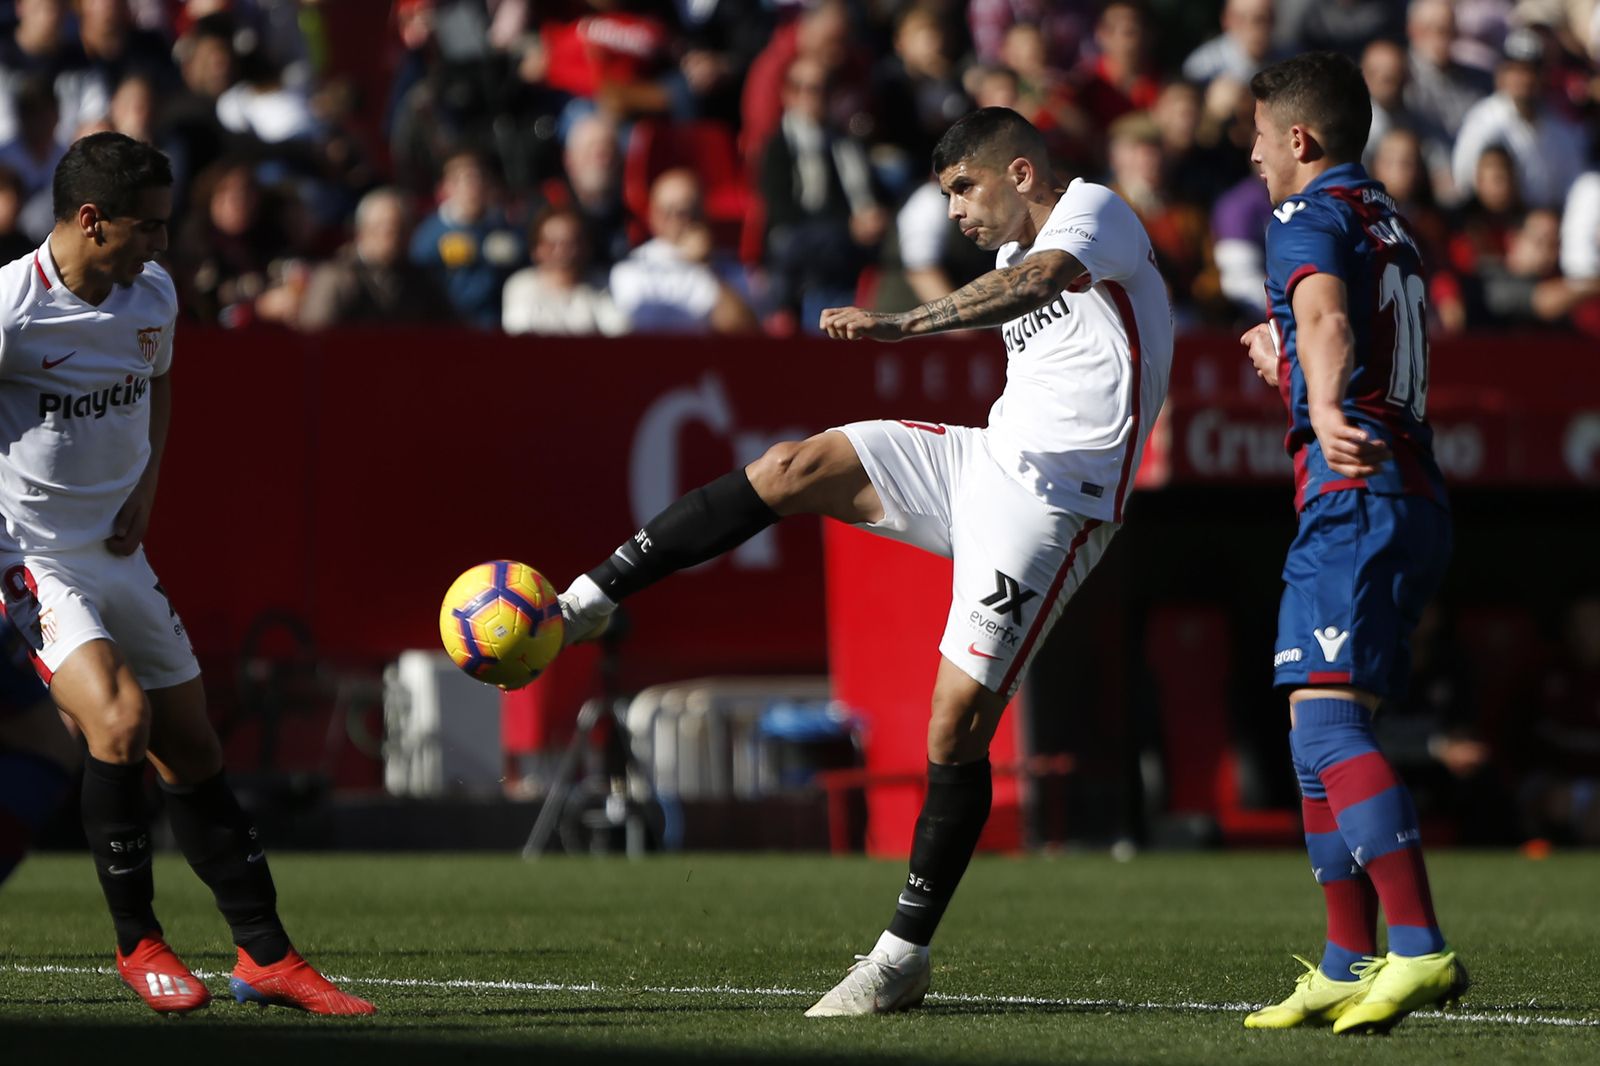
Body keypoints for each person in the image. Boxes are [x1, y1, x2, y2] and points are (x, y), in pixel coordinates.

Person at [556, 107, 1173, 1015]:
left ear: (1021, 173)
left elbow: (1043, 278)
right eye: (948, 195)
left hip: (1055, 509)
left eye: (964, 187)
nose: (957, 211)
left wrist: (904, 325)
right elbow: (1021, 286)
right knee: (792, 466)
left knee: (951, 727)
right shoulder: (1005, 258)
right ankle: (590, 597)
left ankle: (900, 959)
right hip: (983, 462)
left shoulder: (1097, 212)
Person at [0, 131, 373, 1016]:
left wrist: (150, 482)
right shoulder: (13, 308)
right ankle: (140, 943)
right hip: (33, 557)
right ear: (92, 222)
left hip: (119, 551)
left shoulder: (151, 292)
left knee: (194, 745)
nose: (167, 244)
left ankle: (267, 956)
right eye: (151, 227)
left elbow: (156, 379)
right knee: (119, 721)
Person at [1238, 52, 1468, 1035]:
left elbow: (1327, 315)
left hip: (1355, 495)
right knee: (1311, 733)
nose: (1249, 158)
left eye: (1256, 137)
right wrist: (1292, 365)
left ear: (1299, 139)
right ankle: (1345, 957)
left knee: (1330, 728)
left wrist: (1318, 394)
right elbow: (1341, 325)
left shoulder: (1302, 215)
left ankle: (1417, 946)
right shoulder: (1391, 220)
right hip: (1399, 491)